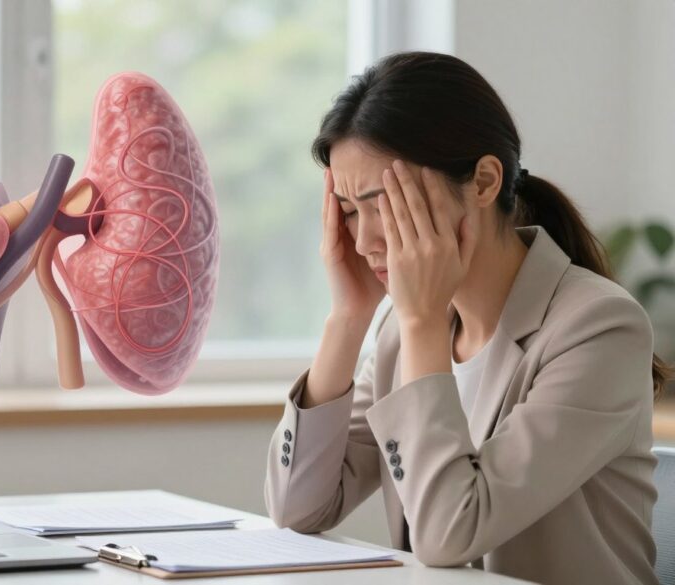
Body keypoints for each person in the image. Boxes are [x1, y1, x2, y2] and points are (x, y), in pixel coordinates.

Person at [263, 51, 673, 585]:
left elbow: (449, 533)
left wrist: (422, 323)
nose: (362, 241)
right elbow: (296, 508)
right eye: (348, 212)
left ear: (483, 182)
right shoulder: (399, 332)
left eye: (383, 204)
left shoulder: (600, 329)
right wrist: (348, 316)